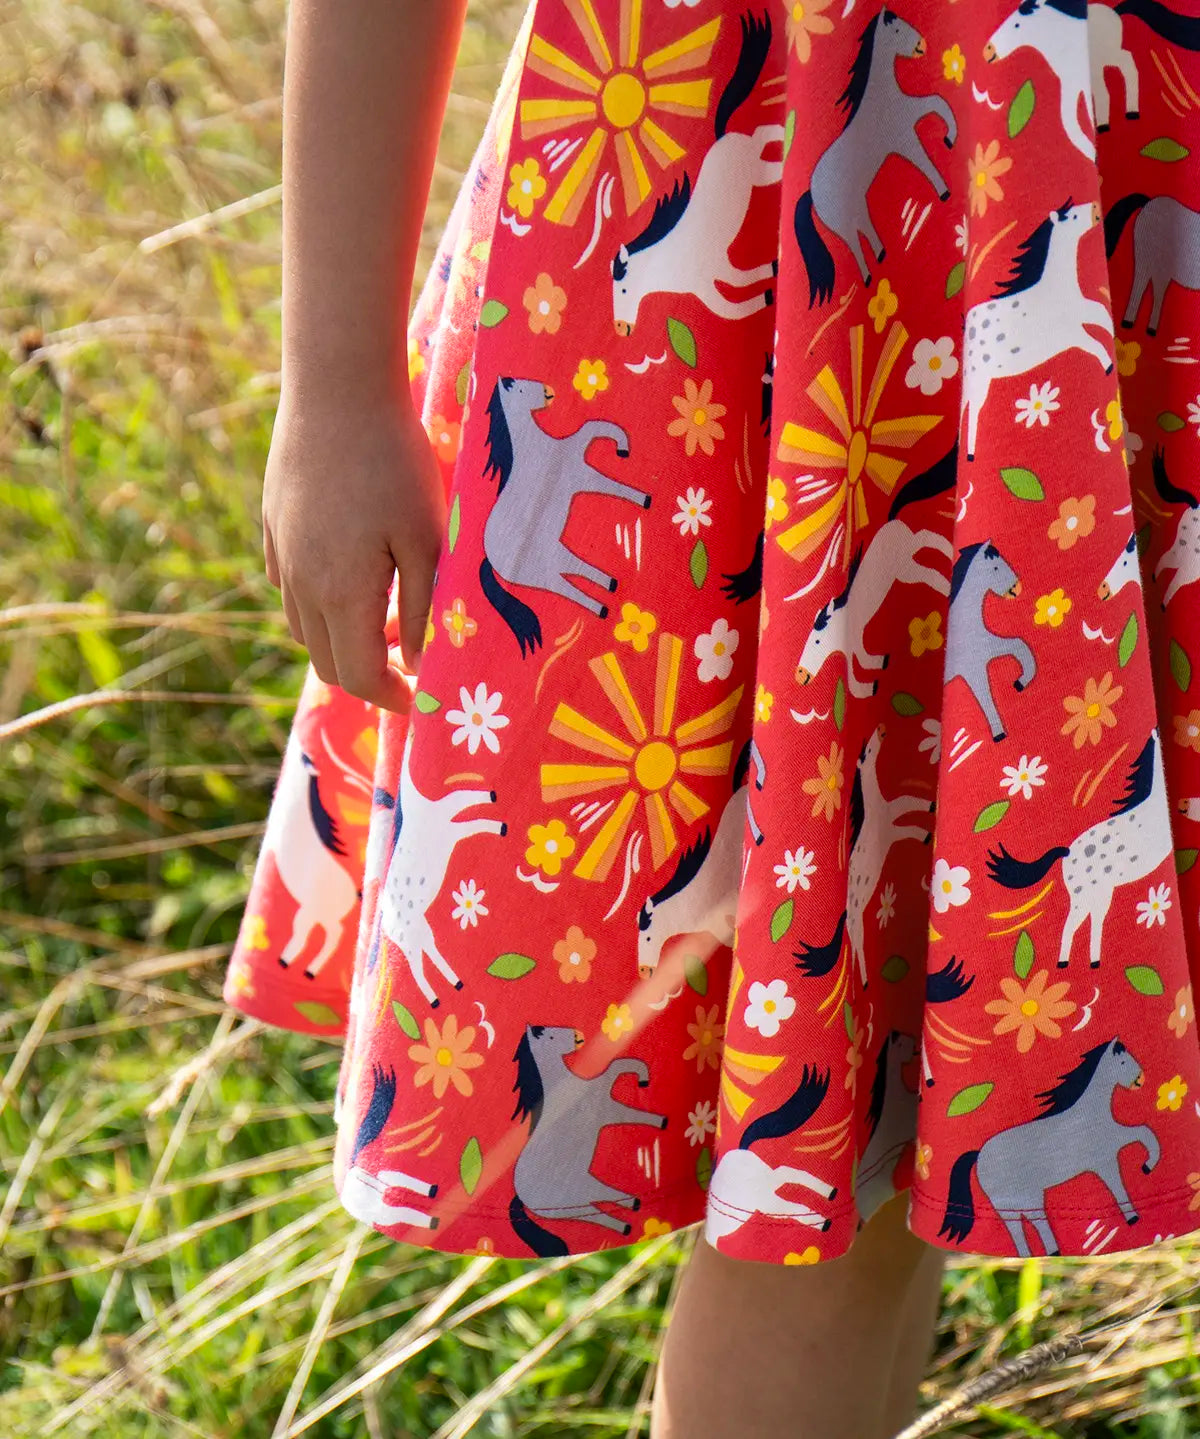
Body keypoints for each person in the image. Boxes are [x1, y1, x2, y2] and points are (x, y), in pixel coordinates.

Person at [225, 1, 1200, 1434]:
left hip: (1113, 193)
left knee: (877, 1119)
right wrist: (335, 388)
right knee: (819, 1132)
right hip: (723, 233)